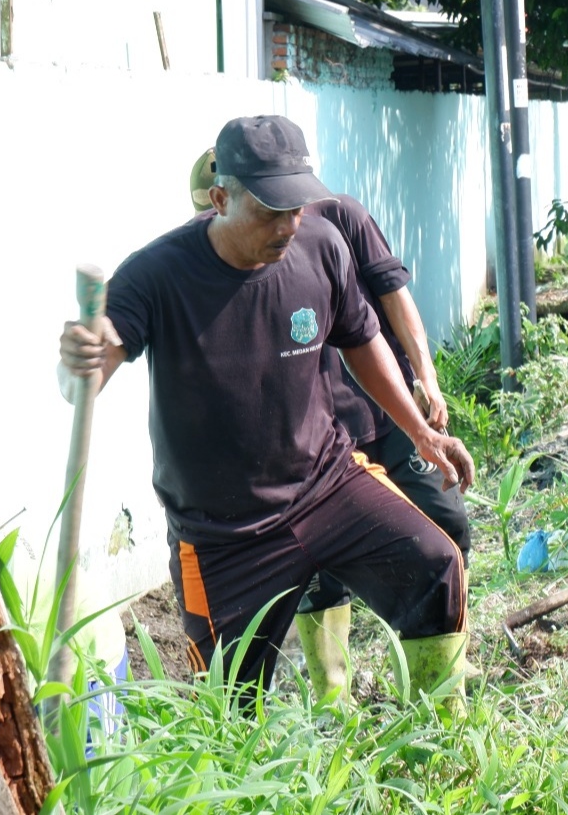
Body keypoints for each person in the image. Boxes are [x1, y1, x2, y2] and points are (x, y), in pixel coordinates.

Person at [58, 115, 473, 700]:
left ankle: (440, 745)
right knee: (230, 703)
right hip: (222, 535)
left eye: (296, 208)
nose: (288, 226)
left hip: (326, 485)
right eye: (270, 211)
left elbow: (363, 340)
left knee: (435, 566)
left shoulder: (321, 246)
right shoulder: (157, 275)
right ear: (220, 198)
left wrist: (421, 434)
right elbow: (89, 373)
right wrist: (79, 359)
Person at [186, 155, 472, 706]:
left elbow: (393, 292)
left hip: (390, 415)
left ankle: (446, 681)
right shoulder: (221, 268)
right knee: (320, 573)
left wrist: (426, 377)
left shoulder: (340, 217)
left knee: (444, 528)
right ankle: (331, 697)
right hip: (320, 440)